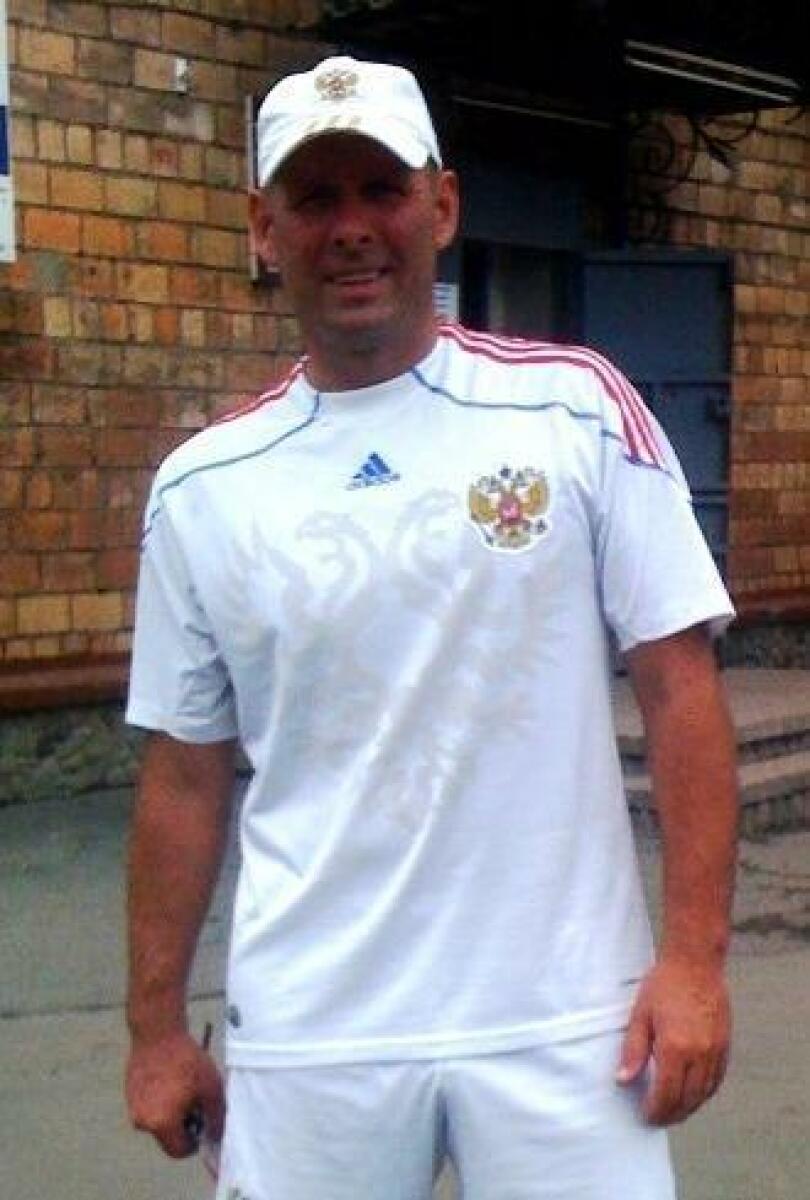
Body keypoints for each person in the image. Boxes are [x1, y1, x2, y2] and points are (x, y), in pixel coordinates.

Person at [124, 54, 738, 1200]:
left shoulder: (574, 410)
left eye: (382, 190)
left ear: (443, 206)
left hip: (565, 1020)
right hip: (314, 1034)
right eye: (316, 199)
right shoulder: (205, 487)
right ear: (263, 229)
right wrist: (155, 1028)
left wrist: (694, 963)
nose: (352, 229)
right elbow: (183, 773)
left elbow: (680, 687)